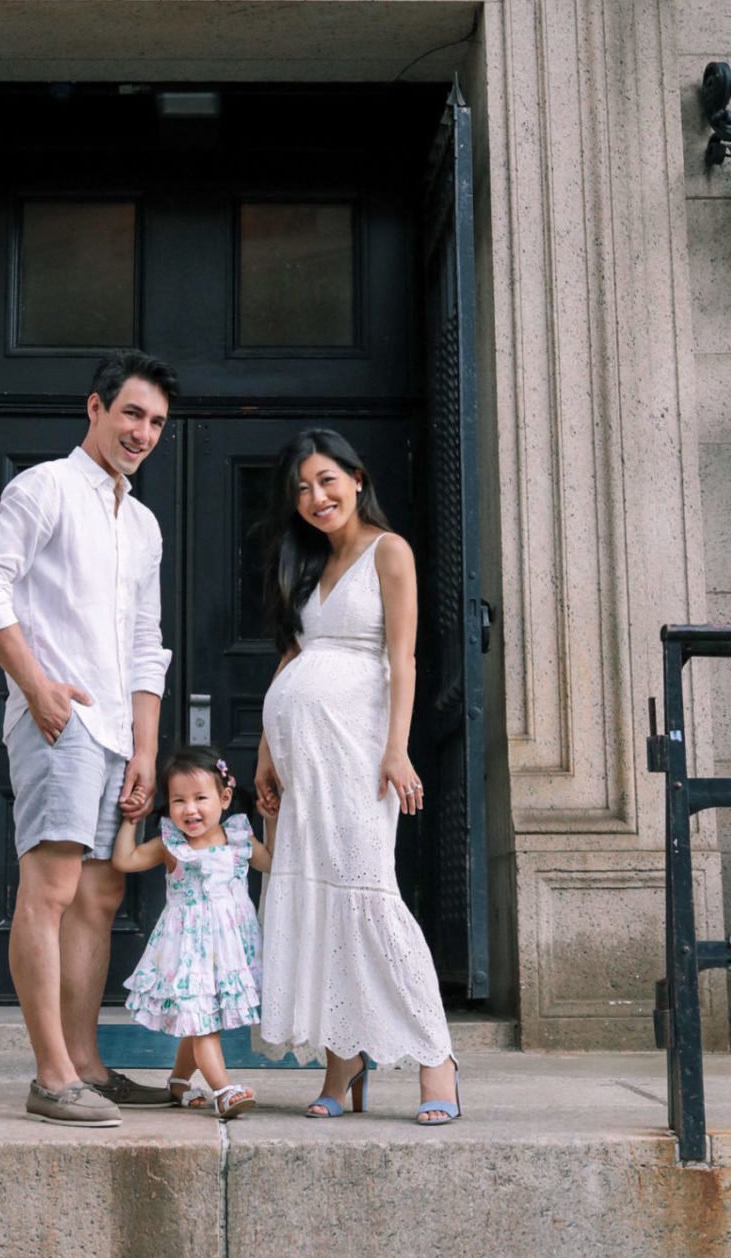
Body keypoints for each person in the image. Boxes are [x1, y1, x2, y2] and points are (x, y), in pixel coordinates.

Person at [0, 349, 178, 1127]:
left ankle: (86, 1066)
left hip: (118, 731)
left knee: (100, 894)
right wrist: (36, 685)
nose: (142, 432)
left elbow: (147, 642)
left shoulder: (143, 525)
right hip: (62, 722)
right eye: (132, 414)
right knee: (49, 891)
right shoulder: (44, 487)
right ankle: (51, 1077)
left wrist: (145, 749)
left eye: (156, 422)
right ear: (96, 408)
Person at [254, 428, 462, 1125]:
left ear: (356, 477)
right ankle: (343, 1062)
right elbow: (292, 658)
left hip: (357, 751)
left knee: (367, 893)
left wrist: (397, 750)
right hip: (300, 758)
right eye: (302, 489)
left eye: (326, 481)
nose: (316, 498)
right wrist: (266, 751)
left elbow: (402, 660)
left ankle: (437, 1060)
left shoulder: (389, 551)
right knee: (319, 903)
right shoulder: (308, 561)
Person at [113, 745, 270, 1119]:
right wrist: (133, 820)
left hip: (230, 949)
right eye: (178, 800)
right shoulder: (172, 846)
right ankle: (223, 1090)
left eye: (201, 798)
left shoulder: (238, 839)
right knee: (202, 1021)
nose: (190, 809)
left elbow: (273, 862)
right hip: (189, 949)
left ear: (224, 798)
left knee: (201, 1019)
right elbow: (124, 860)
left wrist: (272, 819)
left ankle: (179, 1082)